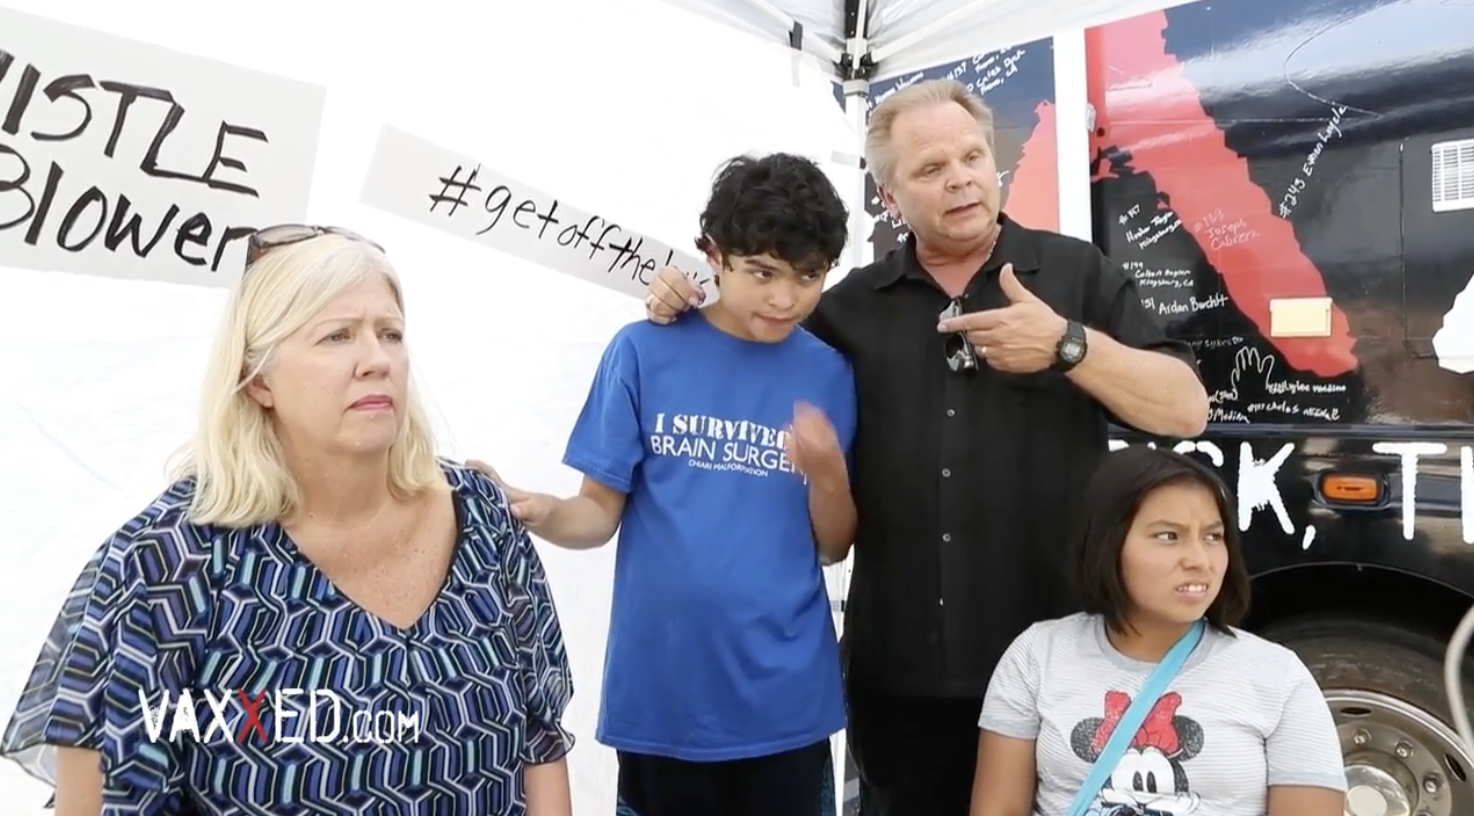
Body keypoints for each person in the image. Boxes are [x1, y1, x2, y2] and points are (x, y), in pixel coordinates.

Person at [641, 79, 1211, 815]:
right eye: (931, 168)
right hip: (899, 677)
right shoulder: (846, 310)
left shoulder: (1074, 275)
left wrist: (1067, 345)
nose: (962, 178)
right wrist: (684, 300)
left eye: (973, 156)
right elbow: (744, 337)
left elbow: (1186, 408)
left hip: (1057, 662)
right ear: (888, 193)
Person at [1, 225, 575, 816]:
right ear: (257, 378)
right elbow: (102, 799)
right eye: (336, 337)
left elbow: (539, 745)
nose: (376, 360)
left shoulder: (480, 518)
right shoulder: (165, 563)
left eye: (391, 334)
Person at [496, 153, 855, 816]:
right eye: (762, 273)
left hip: (785, 698)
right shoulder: (642, 351)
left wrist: (829, 471)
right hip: (664, 692)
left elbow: (833, 546)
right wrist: (538, 508)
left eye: (808, 277)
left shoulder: (830, 372)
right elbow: (596, 515)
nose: (784, 298)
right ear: (713, 255)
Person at [971, 445, 1347, 816]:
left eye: (1213, 537)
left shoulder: (1278, 677)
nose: (1199, 560)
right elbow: (998, 807)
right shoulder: (1037, 656)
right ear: (1108, 543)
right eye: (1169, 536)